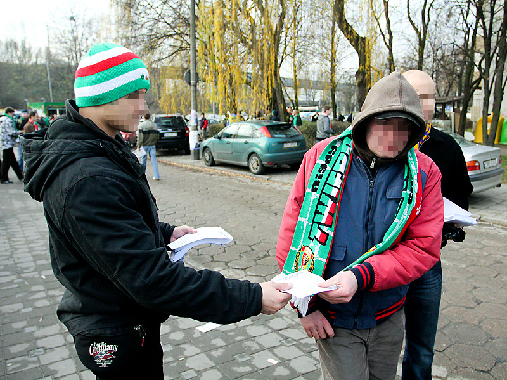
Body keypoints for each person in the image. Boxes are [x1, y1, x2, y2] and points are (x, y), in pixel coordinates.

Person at [22, 42, 292, 379]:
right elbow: (152, 280)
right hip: (116, 331)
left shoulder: (102, 150)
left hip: (126, 320)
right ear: (105, 97)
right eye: (135, 95)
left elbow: (117, 224)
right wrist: (252, 297)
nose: (144, 107)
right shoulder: (87, 178)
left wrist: (164, 233)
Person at [276, 72, 444, 380]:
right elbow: (292, 236)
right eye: (385, 125)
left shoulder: (425, 171)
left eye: (404, 128)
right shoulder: (320, 158)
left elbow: (423, 247)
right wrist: (305, 307)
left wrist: (362, 275)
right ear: (366, 121)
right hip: (334, 320)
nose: (395, 137)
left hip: (388, 316)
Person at [401, 70, 473, 380]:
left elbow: (461, 197)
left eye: (428, 97)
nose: (420, 103)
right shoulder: (378, 143)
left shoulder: (446, 148)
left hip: (426, 263)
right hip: (377, 260)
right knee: (375, 343)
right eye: (413, 95)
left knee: (421, 348)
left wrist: (446, 227)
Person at [1, 107, 23, 184]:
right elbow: (11, 132)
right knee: (6, 162)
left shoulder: (2, 119)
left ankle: (20, 175)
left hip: (4, 142)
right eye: (13, 113)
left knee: (13, 161)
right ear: (10, 112)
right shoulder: (8, 120)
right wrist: (20, 132)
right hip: (8, 143)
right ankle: (4, 178)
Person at [137, 113, 161, 180]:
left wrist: (139, 145)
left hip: (144, 145)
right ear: (149, 117)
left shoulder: (141, 125)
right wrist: (155, 142)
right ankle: (156, 176)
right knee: (154, 160)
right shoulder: (154, 125)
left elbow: (140, 137)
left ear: (144, 117)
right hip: (152, 145)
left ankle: (142, 174)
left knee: (143, 160)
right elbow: (157, 136)